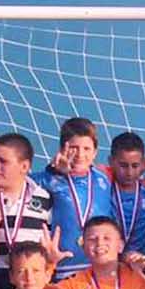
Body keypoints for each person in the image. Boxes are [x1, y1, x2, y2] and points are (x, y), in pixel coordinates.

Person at [33, 117, 118, 280]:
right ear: (62, 149)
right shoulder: (50, 179)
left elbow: (133, 170)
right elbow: (19, 181)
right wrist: (53, 170)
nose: (80, 154)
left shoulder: (104, 179)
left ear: (95, 152)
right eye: (74, 148)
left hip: (98, 265)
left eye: (86, 148)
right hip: (62, 267)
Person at [0, 132, 55, 289]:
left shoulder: (45, 199)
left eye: (3, 161)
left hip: (31, 283)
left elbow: (46, 251)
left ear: (24, 167)